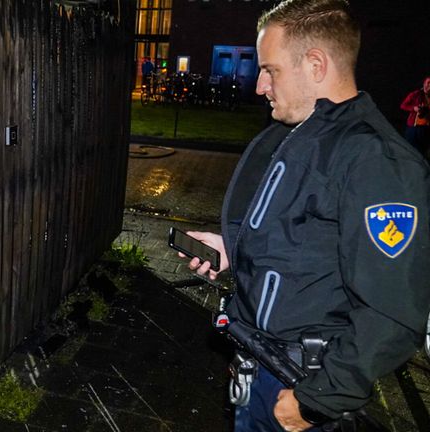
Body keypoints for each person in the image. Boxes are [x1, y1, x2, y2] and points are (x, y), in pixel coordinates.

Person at [181, 1, 430, 431]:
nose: (260, 86)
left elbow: (392, 312)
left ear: (315, 64)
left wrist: (318, 401)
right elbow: (301, 241)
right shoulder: (300, 134)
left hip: (301, 386)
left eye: (270, 70)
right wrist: (233, 250)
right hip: (259, 364)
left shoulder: (377, 162)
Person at [400, 76, 430, 157]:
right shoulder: (415, 94)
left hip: (426, 129)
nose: (429, 86)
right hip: (414, 128)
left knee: (423, 152)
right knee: (409, 150)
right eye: (428, 83)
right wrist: (414, 108)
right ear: (424, 84)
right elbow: (403, 105)